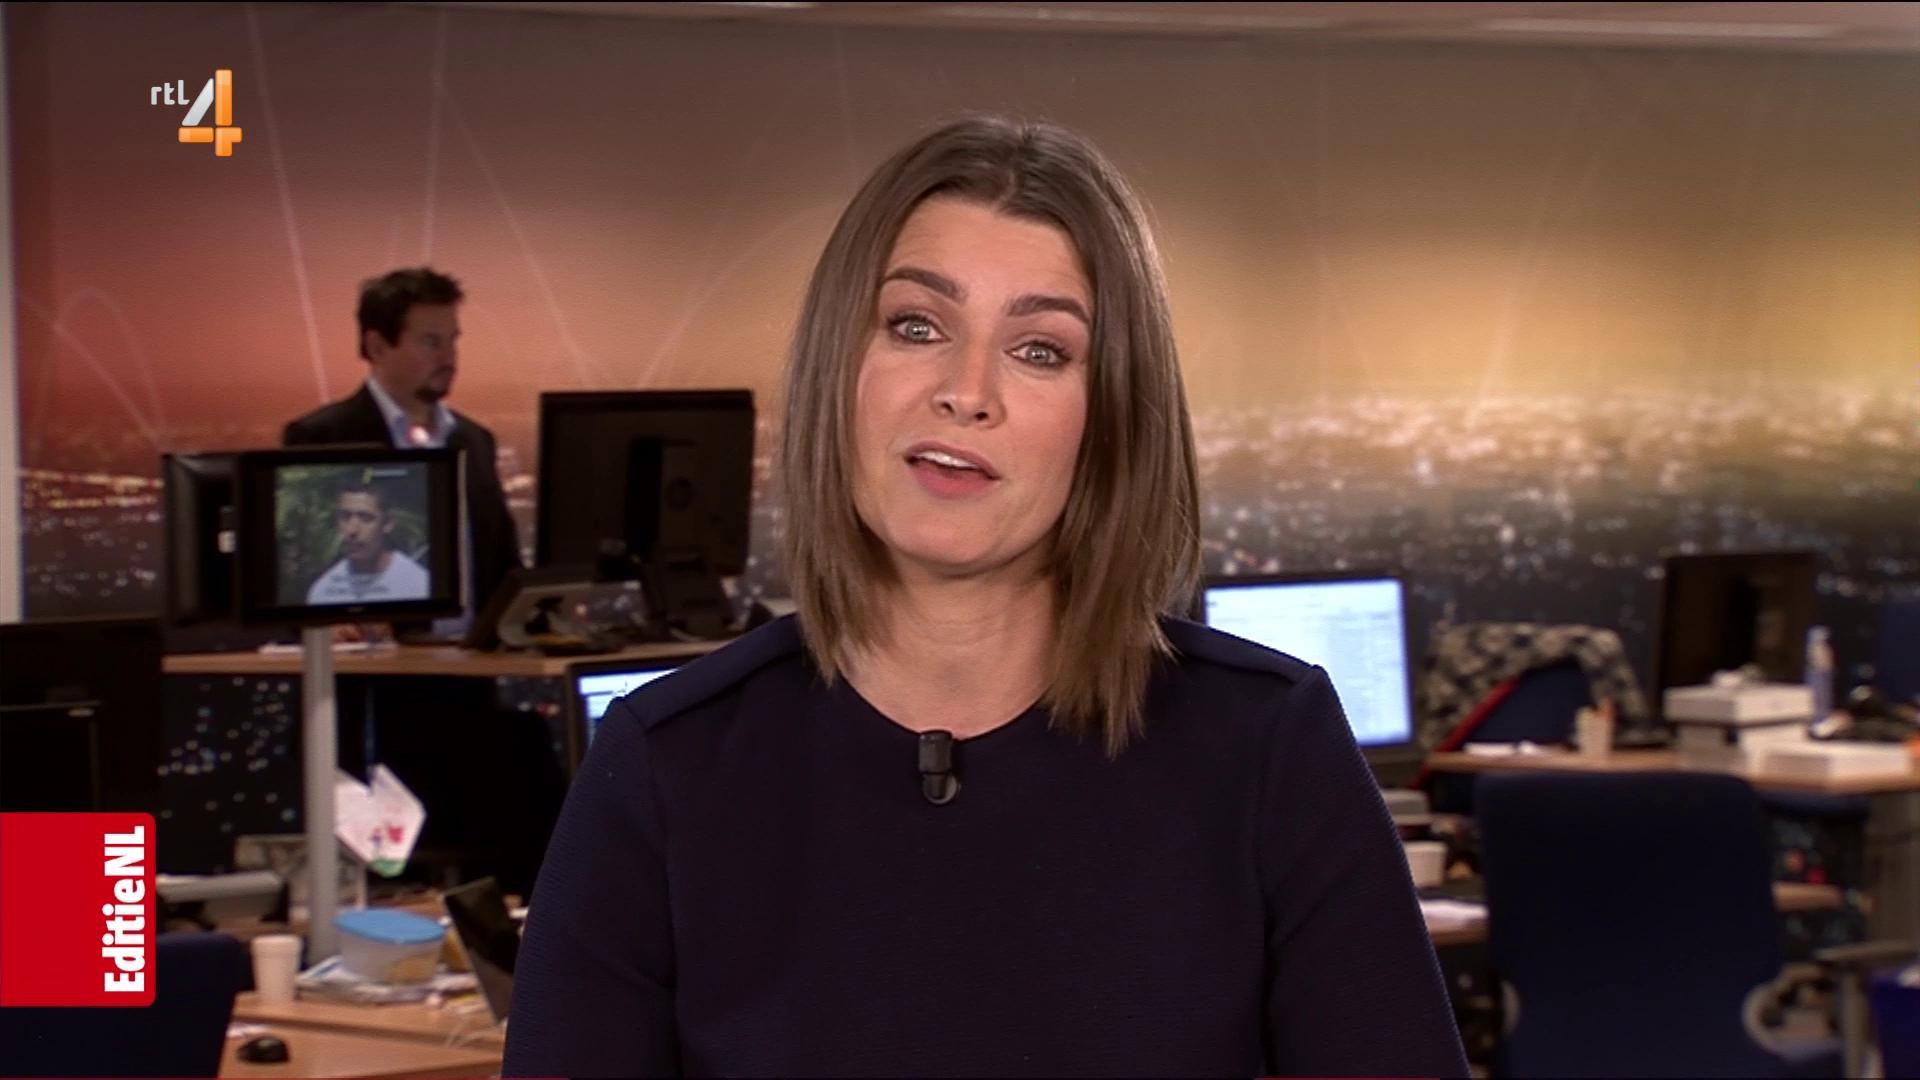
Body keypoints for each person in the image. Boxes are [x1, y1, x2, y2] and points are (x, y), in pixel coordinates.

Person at [505, 116, 1468, 1077]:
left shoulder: (1266, 748)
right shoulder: (666, 766)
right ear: (839, 367)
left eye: (1039, 350)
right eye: (916, 326)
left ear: (1113, 418)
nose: (967, 392)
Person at [283, 267, 521, 622]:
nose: (449, 358)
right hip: (376, 654)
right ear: (377, 347)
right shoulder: (321, 436)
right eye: (431, 342)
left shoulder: (474, 440)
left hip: (473, 654)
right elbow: (293, 577)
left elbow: (504, 564)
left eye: (452, 341)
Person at [304, 478, 430, 605]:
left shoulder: (418, 585)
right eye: (345, 517)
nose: (352, 530)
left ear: (387, 523)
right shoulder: (323, 591)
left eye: (366, 518)